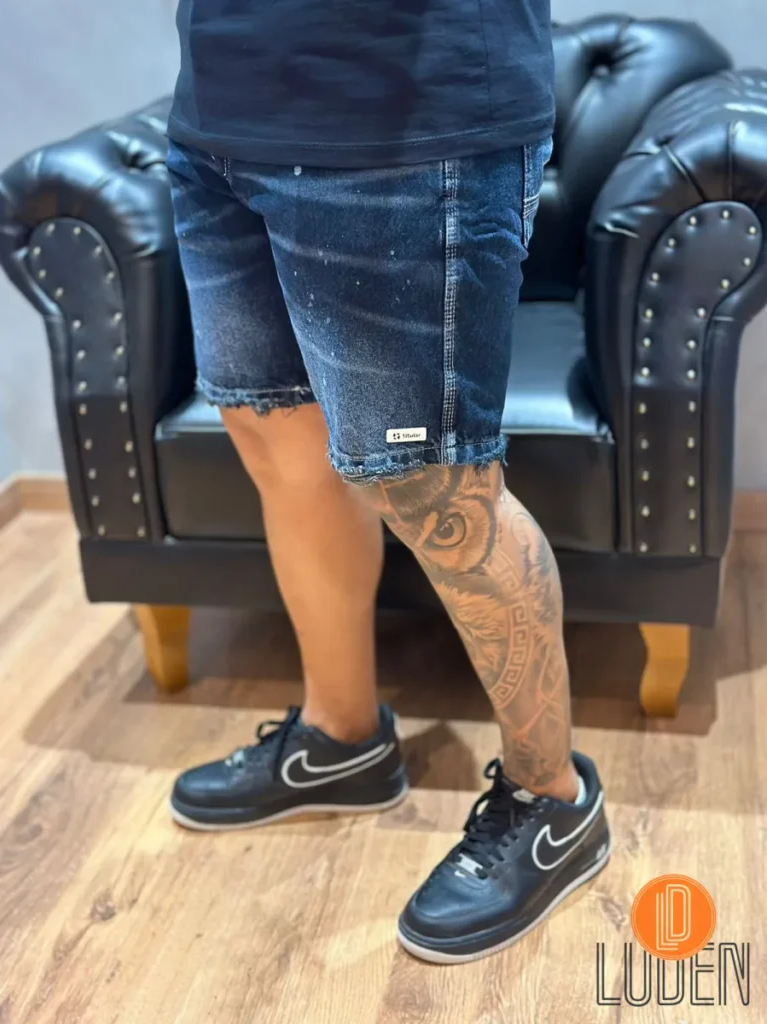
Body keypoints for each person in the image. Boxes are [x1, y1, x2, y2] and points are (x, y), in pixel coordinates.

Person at [166, 0, 610, 964]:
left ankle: (555, 802)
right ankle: (343, 739)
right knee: (274, 437)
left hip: (405, 131)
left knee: (438, 492)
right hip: (220, 110)